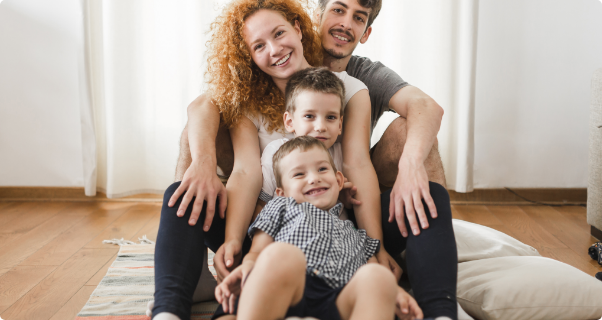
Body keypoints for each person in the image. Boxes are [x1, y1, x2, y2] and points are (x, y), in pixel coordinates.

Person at [153, 0, 457, 319]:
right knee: (180, 194)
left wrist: (375, 247)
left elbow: (357, 164)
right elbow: (245, 171)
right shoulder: (245, 98)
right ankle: (169, 309)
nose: (274, 49)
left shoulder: (351, 87)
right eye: (259, 45)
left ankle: (441, 311)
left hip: (340, 225)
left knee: (430, 194)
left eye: (279, 33)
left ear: (298, 28)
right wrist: (232, 240)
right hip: (266, 225)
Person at [213, 136, 423, 320]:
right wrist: (247, 266)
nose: (314, 178)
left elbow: (374, 271)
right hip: (284, 292)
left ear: (339, 180)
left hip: (335, 301)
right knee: (281, 254)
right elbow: (257, 251)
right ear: (281, 192)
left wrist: (394, 292)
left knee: (379, 278)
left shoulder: (357, 233)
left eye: (322, 169)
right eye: (299, 175)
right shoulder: (281, 206)